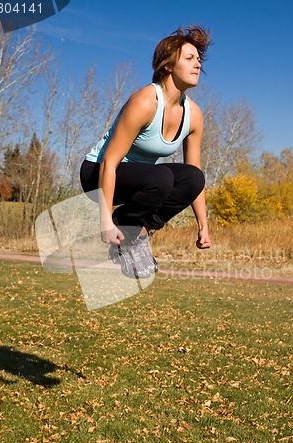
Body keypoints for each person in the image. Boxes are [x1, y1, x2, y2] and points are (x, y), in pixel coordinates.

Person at [80, 25, 212, 279]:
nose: (197, 65)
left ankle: (137, 234)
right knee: (161, 178)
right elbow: (109, 162)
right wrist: (105, 221)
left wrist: (203, 226)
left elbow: (194, 179)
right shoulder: (145, 101)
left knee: (194, 177)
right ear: (168, 66)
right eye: (189, 58)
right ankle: (122, 223)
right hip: (97, 173)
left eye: (198, 59)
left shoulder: (194, 114)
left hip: (140, 180)